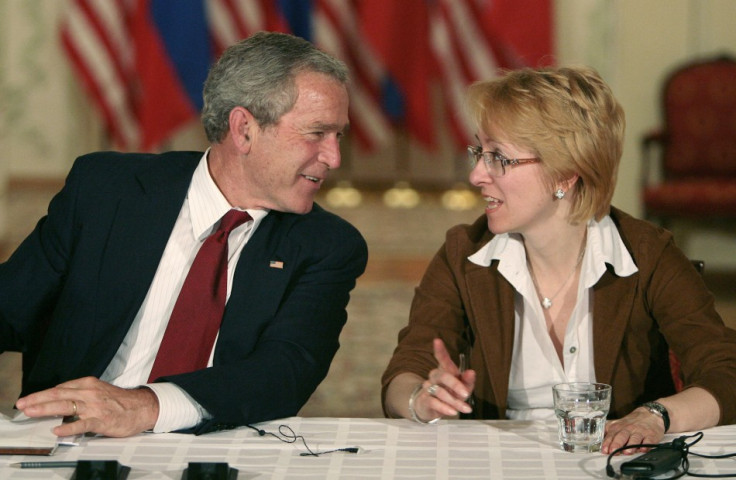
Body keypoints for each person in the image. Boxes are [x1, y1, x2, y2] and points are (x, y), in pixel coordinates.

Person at [0, 31, 367, 438]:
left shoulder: (326, 245)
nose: (333, 157)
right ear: (244, 129)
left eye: (339, 136)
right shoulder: (106, 190)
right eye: (317, 133)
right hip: (68, 436)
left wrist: (148, 406)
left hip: (212, 443)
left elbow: (286, 371)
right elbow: (8, 310)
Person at [381, 66, 736, 454]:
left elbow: (725, 372)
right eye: (478, 152)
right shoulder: (464, 254)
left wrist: (655, 415)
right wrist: (421, 398)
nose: (476, 175)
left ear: (565, 174)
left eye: (498, 157)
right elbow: (405, 370)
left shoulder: (647, 255)